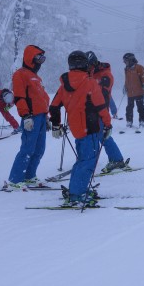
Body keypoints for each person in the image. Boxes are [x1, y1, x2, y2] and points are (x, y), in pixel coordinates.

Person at [49, 51, 112, 207]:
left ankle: (77, 189)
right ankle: (77, 194)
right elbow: (101, 106)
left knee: (83, 159)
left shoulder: (64, 84)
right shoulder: (90, 82)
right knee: (88, 161)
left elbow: (54, 106)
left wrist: (56, 124)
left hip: (77, 128)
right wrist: (108, 124)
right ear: (85, 64)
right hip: (90, 127)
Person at [5, 45, 50, 190]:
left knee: (39, 149)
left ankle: (29, 176)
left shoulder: (37, 77)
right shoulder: (20, 74)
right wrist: (26, 115)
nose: (40, 63)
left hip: (42, 117)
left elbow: (43, 98)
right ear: (31, 58)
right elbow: (19, 96)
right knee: (27, 148)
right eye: (39, 59)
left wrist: (47, 116)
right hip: (31, 117)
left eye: (43, 59)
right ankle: (15, 179)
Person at [87, 51, 129, 174]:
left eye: (89, 65)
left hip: (100, 110)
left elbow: (101, 92)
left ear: (93, 63)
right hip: (90, 111)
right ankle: (88, 160)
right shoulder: (91, 73)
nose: (87, 68)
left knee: (102, 135)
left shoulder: (105, 75)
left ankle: (116, 159)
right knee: (92, 136)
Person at [122, 52, 144, 128]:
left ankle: (142, 121)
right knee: (129, 107)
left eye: (125, 61)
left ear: (130, 60)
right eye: (124, 61)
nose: (124, 62)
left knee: (140, 107)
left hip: (139, 91)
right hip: (130, 92)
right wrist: (125, 86)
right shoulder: (126, 69)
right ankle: (129, 121)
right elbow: (127, 79)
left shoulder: (139, 67)